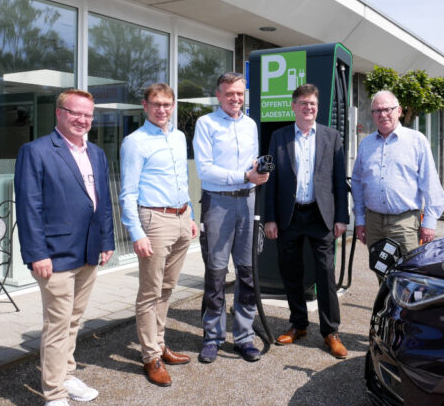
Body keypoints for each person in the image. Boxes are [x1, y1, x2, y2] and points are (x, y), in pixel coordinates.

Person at [15, 89, 114, 406]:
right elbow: (29, 206)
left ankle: (66, 374)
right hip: (54, 254)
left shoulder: (97, 153)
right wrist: (36, 252)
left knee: (74, 321)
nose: (83, 120)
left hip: (88, 251)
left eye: (88, 115)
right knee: (57, 326)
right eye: (76, 113)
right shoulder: (37, 151)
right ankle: (54, 397)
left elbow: (101, 202)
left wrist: (106, 240)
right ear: (59, 113)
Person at [119, 83, 197, 387]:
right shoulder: (134, 142)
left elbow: (182, 178)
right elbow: (128, 193)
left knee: (167, 288)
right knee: (150, 292)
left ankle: (160, 344)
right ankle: (150, 356)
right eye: (156, 104)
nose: (162, 110)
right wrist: (136, 232)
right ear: (145, 105)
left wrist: (189, 213)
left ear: (173, 105)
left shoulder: (178, 137)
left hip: (180, 217)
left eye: (167, 104)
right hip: (154, 219)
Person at [264, 84, 349, 359]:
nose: (308, 107)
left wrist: (341, 217)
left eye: (312, 103)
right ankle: (298, 324)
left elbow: (339, 181)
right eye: (302, 103)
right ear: (293, 106)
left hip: (319, 215)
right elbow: (271, 181)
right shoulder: (279, 137)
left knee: (325, 274)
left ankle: (330, 332)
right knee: (291, 273)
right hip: (289, 215)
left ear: (317, 106)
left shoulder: (331, 136)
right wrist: (270, 218)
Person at [192, 72, 269, 364]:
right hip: (218, 205)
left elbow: (253, 162)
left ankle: (244, 337)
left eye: (239, 93)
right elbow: (205, 171)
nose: (235, 99)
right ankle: (212, 337)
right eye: (229, 94)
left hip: (247, 203)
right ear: (218, 95)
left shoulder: (250, 125)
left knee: (247, 273)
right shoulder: (206, 124)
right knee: (216, 273)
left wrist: (259, 171)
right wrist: (244, 176)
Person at [351, 90, 444, 256]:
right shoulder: (366, 144)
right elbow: (358, 183)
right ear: (372, 114)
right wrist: (360, 219)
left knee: (408, 273)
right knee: (380, 271)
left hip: (405, 223)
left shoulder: (416, 141)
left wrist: (429, 223)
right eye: (377, 111)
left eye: (388, 109)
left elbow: (430, 183)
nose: (383, 114)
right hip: (373, 223)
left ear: (399, 111)